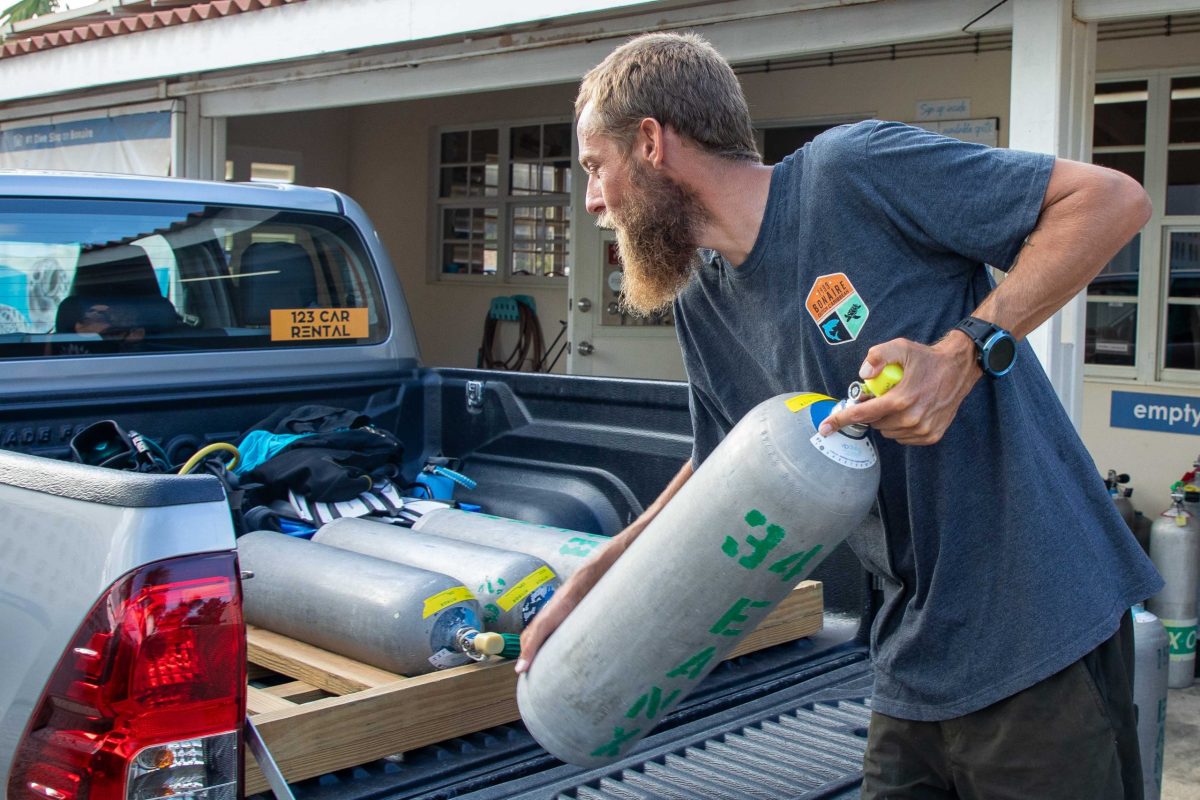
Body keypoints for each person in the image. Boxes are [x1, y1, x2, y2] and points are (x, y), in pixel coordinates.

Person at [516, 31, 1162, 800]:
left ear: (651, 142)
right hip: (910, 651)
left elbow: (1112, 199)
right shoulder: (704, 303)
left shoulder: (849, 172)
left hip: (1038, 625)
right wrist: (600, 571)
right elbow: (717, 476)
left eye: (595, 167)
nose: (591, 199)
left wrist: (962, 352)